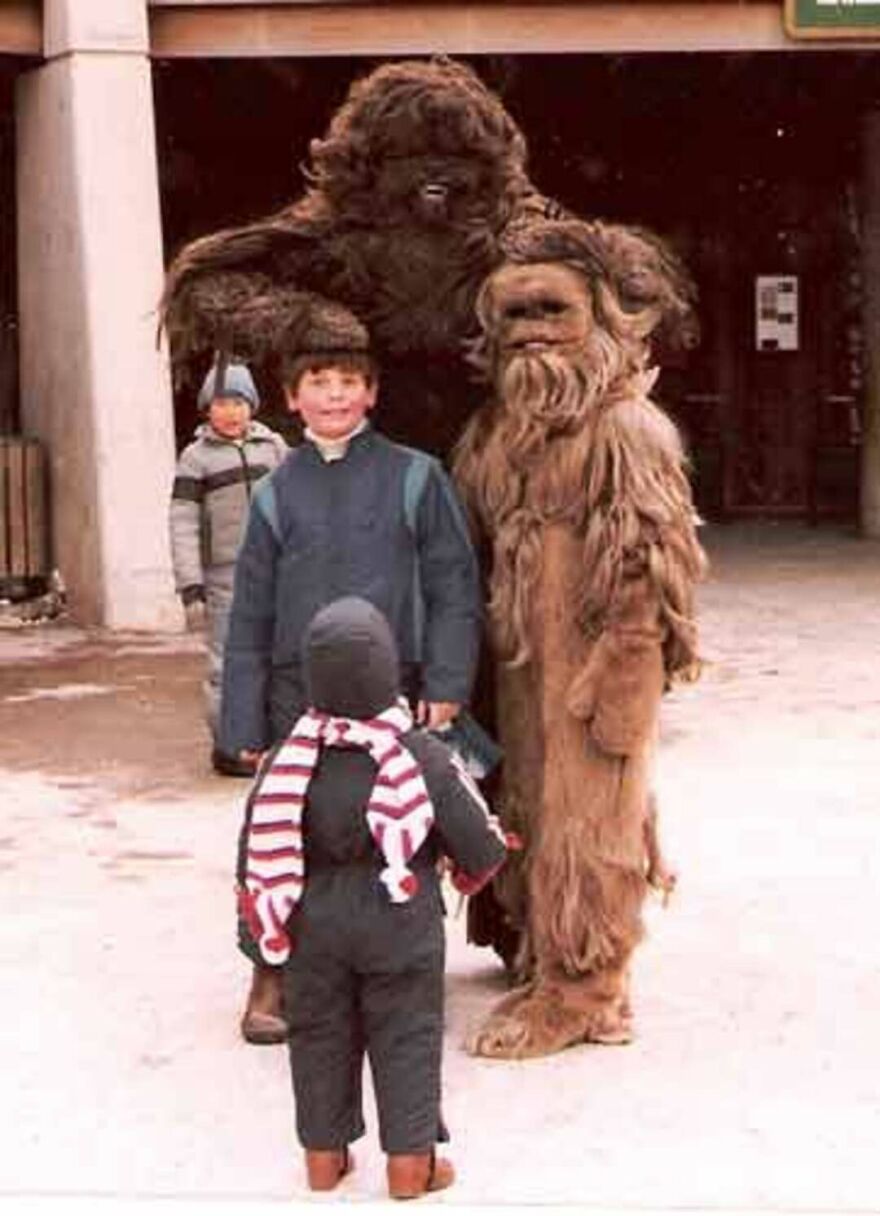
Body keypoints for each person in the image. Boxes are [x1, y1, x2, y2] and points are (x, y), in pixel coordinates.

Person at [219, 300, 483, 1045]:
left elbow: (454, 586)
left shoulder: (415, 478)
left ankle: (399, 969)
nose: (333, 395)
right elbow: (248, 615)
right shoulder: (275, 493)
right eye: (317, 381)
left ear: (371, 393)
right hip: (294, 698)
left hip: (393, 694)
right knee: (280, 832)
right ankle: (270, 973)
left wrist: (447, 683)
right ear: (292, 396)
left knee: (396, 827)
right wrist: (242, 723)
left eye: (348, 382)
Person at [239, 596, 507, 1199]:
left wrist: (266, 932)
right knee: (407, 1035)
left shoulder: (288, 760)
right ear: (388, 669)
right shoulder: (419, 755)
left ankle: (324, 1159)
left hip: (315, 930)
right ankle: (411, 1167)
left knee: (318, 1036)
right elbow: (482, 847)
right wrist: (460, 873)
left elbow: (253, 857)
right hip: (401, 922)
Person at [169, 360, 287, 776]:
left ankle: (276, 742)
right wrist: (191, 584)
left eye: (238, 402)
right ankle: (231, 744)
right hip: (224, 575)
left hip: (274, 569)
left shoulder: (274, 449)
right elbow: (182, 523)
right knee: (227, 661)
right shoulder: (196, 459)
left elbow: (297, 502)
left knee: (277, 655)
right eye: (221, 403)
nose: (231, 412)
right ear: (206, 409)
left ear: (252, 406)